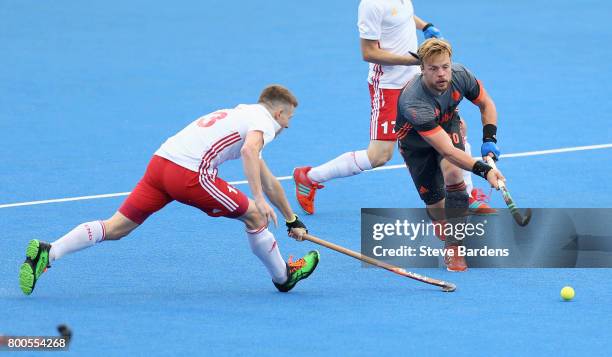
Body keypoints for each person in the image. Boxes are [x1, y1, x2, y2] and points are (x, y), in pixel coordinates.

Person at [19, 85, 319, 295]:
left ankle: (50, 252)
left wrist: (292, 219)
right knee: (256, 217)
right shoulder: (264, 123)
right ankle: (283, 277)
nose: (288, 126)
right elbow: (250, 154)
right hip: (189, 173)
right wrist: (258, 200)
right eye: (289, 118)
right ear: (279, 113)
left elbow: (266, 176)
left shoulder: (243, 115)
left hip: (161, 163)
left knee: (117, 227)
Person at [292, 0, 494, 215]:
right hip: (390, 86)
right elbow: (368, 52)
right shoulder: (371, 5)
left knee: (457, 128)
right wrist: (413, 61)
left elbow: (400, 17)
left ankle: (465, 194)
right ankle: (310, 177)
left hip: (421, 80)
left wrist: (424, 26)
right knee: (379, 156)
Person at [394, 38, 504, 271]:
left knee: (454, 174)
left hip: (446, 125)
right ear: (421, 69)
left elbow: (486, 103)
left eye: (445, 66)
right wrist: (485, 171)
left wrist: (489, 140)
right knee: (436, 206)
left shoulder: (461, 74)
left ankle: (454, 247)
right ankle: (443, 220)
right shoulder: (414, 101)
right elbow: (447, 150)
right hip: (416, 144)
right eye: (433, 69)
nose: (442, 74)